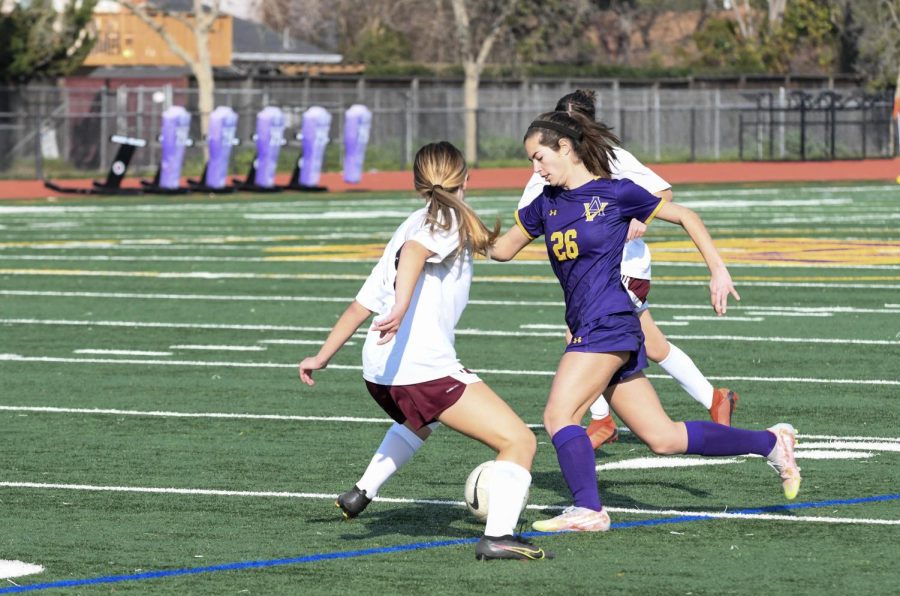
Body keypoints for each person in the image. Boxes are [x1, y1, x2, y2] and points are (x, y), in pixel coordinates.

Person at [487, 110, 801, 532]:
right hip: (592, 323)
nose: (535, 168)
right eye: (531, 160)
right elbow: (501, 250)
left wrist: (718, 270)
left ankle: (589, 509)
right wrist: (458, 226)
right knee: (663, 437)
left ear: (566, 147)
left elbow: (686, 215)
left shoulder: (616, 193)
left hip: (610, 319)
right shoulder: (546, 204)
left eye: (540, 157)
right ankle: (770, 443)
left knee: (558, 416)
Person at [298, 141, 551, 561]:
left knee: (422, 419)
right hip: (421, 368)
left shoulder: (416, 221)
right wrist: (400, 306)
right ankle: (499, 536)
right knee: (519, 441)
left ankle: (362, 491)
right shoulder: (447, 219)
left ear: (417, 184)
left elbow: (362, 302)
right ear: (467, 178)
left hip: (379, 371)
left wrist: (323, 355)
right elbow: (417, 254)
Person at [521, 90, 738, 450]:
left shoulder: (613, 159)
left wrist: (638, 216)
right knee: (646, 343)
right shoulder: (549, 171)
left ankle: (603, 420)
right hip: (587, 273)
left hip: (624, 266)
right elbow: (528, 218)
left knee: (592, 341)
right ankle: (715, 398)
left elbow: (664, 193)